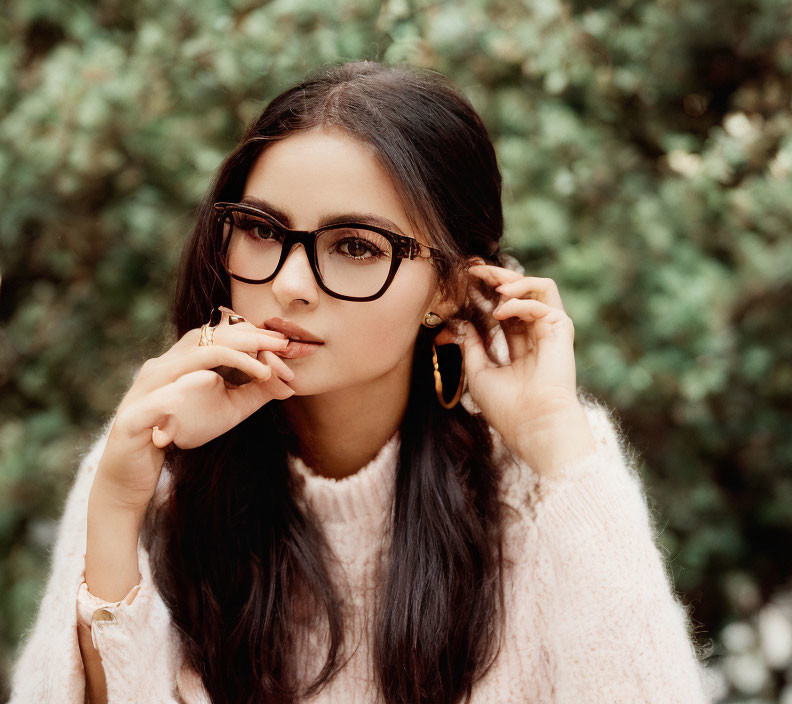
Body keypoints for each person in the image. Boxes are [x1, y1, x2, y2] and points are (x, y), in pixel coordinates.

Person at [8, 61, 711, 703]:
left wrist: (555, 436)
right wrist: (118, 503)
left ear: (447, 288)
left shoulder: (541, 485)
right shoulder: (146, 469)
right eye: (260, 230)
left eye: (354, 247)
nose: (287, 285)